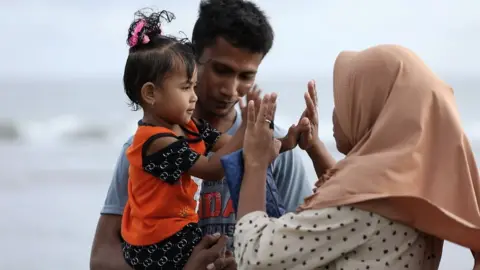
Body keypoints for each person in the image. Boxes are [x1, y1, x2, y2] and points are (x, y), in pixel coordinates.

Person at [89, 1, 328, 269]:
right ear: (194, 59)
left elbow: (306, 250)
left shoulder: (270, 149)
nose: (231, 88)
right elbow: (102, 256)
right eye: (221, 70)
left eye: (247, 76)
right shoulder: (145, 147)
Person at [234, 45, 480, 269]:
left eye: (345, 99)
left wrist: (256, 162)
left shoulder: (364, 207)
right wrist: (315, 148)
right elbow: (357, 198)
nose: (335, 112)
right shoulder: (408, 191)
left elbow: (255, 256)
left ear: (374, 110)